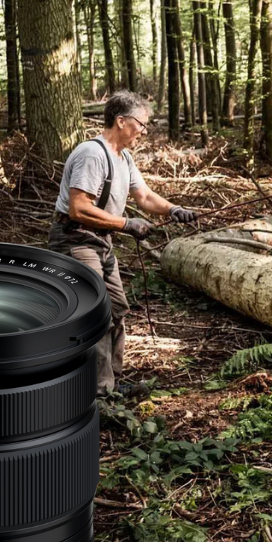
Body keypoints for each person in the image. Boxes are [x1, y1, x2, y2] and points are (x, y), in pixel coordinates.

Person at [47, 90, 198, 396]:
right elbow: (79, 208)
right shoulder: (92, 154)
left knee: (116, 308)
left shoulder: (124, 158)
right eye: (141, 124)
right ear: (120, 121)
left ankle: (111, 383)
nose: (144, 131)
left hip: (100, 241)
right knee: (95, 313)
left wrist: (173, 209)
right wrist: (127, 224)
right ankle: (97, 392)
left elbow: (144, 197)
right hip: (75, 239)